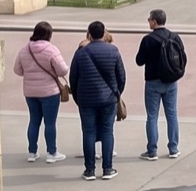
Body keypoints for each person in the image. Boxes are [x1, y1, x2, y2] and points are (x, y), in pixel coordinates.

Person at [69, 20, 125, 180]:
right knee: (107, 131)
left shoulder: (80, 53)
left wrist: (78, 97)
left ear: (90, 34)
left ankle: (90, 170)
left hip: (86, 99)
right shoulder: (113, 51)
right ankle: (108, 169)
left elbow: (73, 78)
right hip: (108, 98)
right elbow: (121, 76)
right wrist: (117, 93)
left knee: (88, 133)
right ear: (104, 33)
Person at [12, 22, 68, 163]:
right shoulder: (51, 50)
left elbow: (17, 70)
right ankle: (51, 152)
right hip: (49, 92)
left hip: (30, 92)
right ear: (49, 35)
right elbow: (63, 70)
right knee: (50, 123)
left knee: (34, 121)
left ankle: (32, 152)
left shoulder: (25, 50)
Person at [136, 8, 188, 159]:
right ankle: (173, 147)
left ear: (154, 21)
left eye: (149, 20)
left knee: (152, 116)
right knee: (172, 114)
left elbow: (139, 61)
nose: (148, 22)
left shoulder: (148, 39)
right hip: (171, 81)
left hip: (153, 81)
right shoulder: (174, 37)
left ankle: (152, 150)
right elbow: (183, 57)